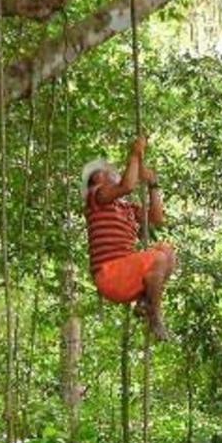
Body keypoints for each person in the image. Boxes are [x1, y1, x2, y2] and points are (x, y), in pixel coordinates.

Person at [82, 136, 177, 340]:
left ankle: (145, 301)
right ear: (96, 182)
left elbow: (157, 219)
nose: (111, 174)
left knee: (167, 251)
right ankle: (154, 314)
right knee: (158, 258)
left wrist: (153, 184)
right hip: (110, 275)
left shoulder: (126, 208)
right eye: (105, 173)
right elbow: (127, 186)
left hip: (126, 275)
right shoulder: (96, 198)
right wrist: (134, 154)